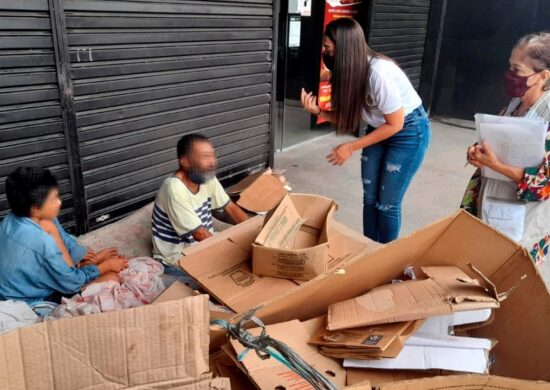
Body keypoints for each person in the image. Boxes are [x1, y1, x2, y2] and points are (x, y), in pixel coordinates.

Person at [300, 18, 431, 243]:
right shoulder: (350, 72)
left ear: (344, 48)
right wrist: (317, 111)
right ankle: (368, 249)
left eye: (327, 48)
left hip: (408, 131)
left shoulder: (377, 74)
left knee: (387, 203)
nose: (324, 53)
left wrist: (351, 146)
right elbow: (349, 117)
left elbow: (396, 124)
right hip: (380, 127)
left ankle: (384, 259)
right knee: (370, 198)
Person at [462, 32, 550, 264]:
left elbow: (544, 184)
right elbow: (500, 142)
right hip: (491, 201)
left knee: (506, 273)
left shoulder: (547, 115)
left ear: (542, 76)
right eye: (509, 67)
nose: (510, 75)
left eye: (517, 71)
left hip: (518, 214)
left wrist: (495, 165)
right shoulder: (515, 103)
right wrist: (478, 152)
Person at [0, 167, 128, 303]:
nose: (59, 202)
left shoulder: (11, 219)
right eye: (53, 199)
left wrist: (80, 255)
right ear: (35, 208)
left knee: (49, 224)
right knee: (113, 278)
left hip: (17, 284)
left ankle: (82, 267)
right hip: (28, 298)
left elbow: (64, 239)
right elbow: (71, 284)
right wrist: (106, 267)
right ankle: (85, 270)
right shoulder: (42, 242)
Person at [152, 134, 248, 274]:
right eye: (205, 157)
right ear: (186, 162)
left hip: (202, 244)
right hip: (177, 257)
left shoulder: (206, 177)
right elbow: (199, 234)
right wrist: (232, 254)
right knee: (233, 272)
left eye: (212, 155)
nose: (212, 162)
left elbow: (231, 208)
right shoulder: (174, 189)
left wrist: (256, 233)